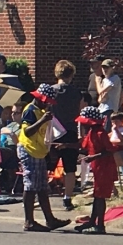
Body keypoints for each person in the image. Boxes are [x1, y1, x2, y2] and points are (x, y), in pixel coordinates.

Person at [18, 84, 69, 232]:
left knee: (42, 187)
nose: (47, 104)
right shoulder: (30, 110)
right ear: (39, 98)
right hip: (29, 150)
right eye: (45, 101)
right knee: (30, 186)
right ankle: (29, 221)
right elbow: (27, 132)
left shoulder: (40, 111)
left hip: (39, 151)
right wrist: (42, 120)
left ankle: (50, 219)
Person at [75, 106, 117, 235]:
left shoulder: (100, 133)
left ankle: (100, 225)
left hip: (105, 168)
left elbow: (109, 151)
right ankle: (92, 221)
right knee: (96, 197)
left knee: (100, 197)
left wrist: (93, 157)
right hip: (98, 168)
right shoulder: (91, 133)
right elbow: (83, 146)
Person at [52, 60, 82, 211]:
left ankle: (41, 193)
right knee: (70, 168)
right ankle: (67, 197)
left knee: (47, 166)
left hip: (54, 132)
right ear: (71, 75)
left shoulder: (51, 91)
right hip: (70, 131)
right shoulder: (76, 93)